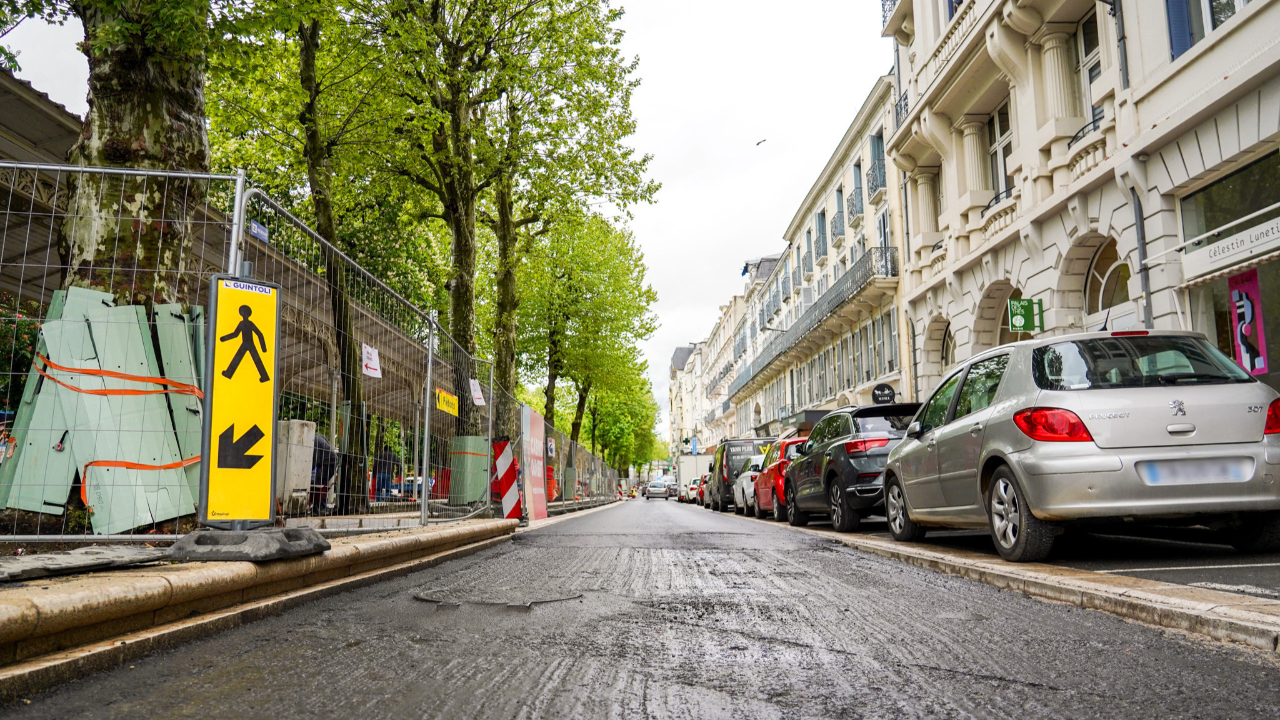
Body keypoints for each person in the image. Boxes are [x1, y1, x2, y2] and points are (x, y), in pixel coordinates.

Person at [311, 433, 337, 514]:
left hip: (328, 462)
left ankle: (321, 507)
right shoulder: (316, 436)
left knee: (320, 483)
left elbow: (313, 460)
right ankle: (318, 507)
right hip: (331, 459)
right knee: (321, 484)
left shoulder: (311, 441)